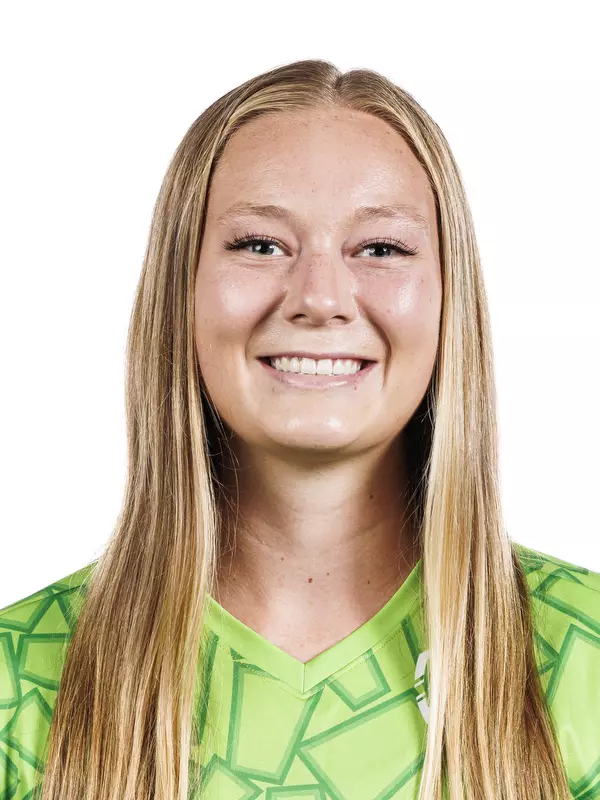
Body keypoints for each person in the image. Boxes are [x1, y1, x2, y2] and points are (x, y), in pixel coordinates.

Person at [0, 58, 599, 800]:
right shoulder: (18, 681)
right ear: (181, 290)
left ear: (451, 297)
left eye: (381, 249)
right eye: (260, 245)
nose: (320, 297)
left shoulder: (584, 657)